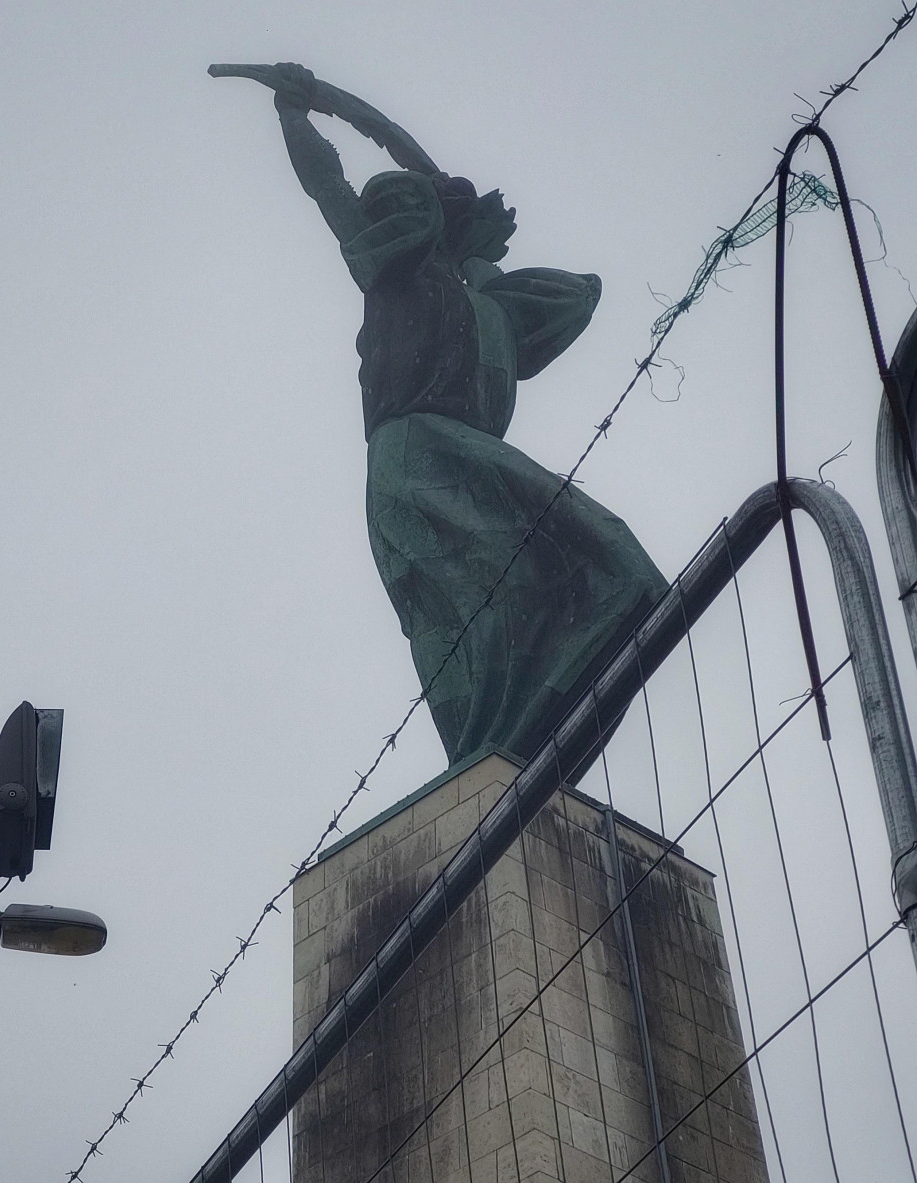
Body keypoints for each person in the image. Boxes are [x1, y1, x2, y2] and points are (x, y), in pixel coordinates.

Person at [269, 63, 667, 769]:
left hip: (465, 454)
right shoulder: (391, 270)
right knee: (491, 602)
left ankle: (533, 744)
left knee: (604, 567)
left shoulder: (478, 298)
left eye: (410, 202)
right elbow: (329, 190)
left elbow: (570, 299)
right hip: (414, 456)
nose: (392, 213)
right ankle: (498, 754)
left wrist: (477, 253)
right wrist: (296, 116)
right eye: (386, 206)